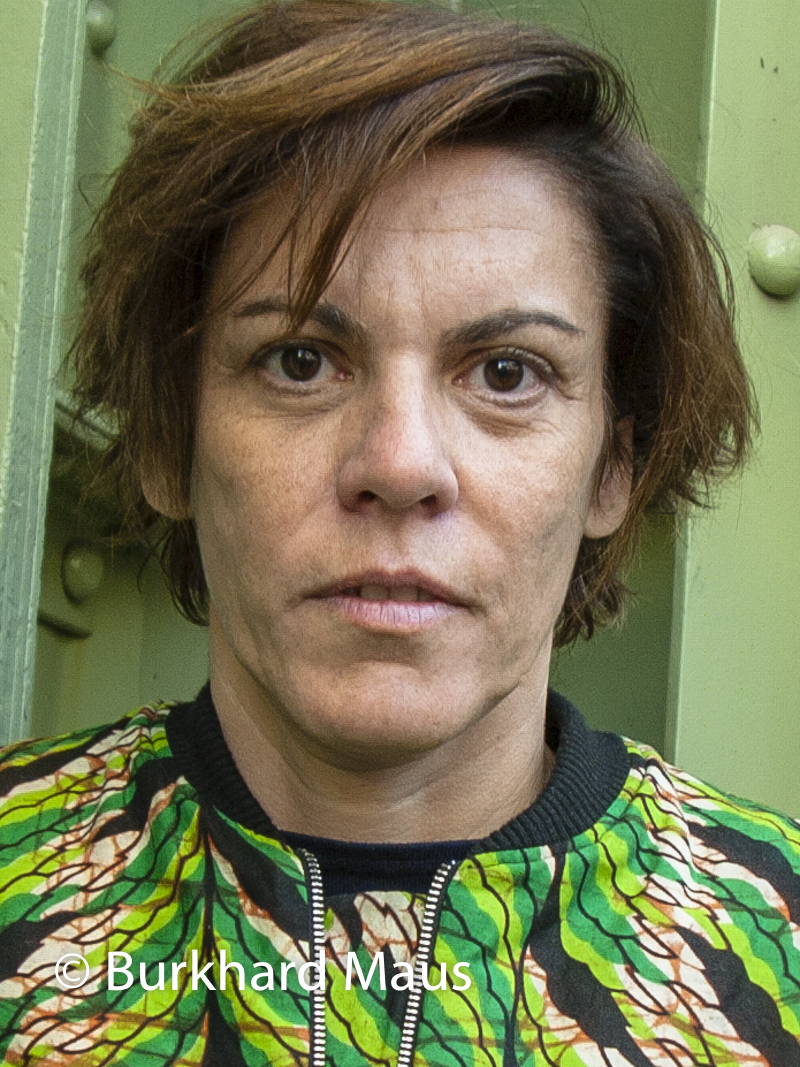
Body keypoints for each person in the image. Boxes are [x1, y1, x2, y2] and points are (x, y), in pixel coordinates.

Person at [1, 1, 798, 1063]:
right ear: (166, 431)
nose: (400, 463)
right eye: (299, 360)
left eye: (506, 373)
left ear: (614, 464)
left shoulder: (772, 946)